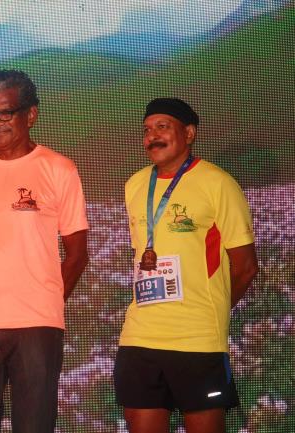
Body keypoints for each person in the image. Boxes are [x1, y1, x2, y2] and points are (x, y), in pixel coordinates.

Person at [0, 70, 89, 433]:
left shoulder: (59, 169)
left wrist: (46, 301)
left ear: (31, 114)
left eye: (5, 113)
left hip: (37, 326)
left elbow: (77, 253)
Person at [114, 98, 258, 433]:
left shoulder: (217, 183)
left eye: (162, 127)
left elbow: (246, 266)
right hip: (140, 334)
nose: (152, 136)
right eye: (147, 130)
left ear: (189, 133)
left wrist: (212, 310)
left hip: (197, 340)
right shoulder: (135, 185)